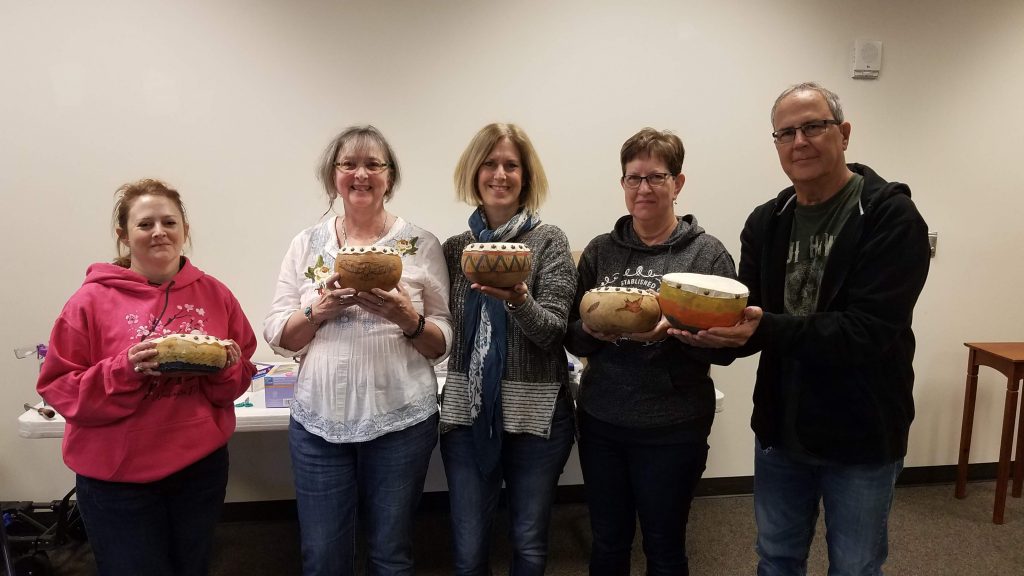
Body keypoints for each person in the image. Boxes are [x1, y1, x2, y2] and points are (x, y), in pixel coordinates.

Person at [677, 82, 930, 575]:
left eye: (814, 126)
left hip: (862, 431)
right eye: (786, 132)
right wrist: (704, 336)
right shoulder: (767, 221)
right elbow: (747, 316)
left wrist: (759, 329)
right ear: (775, 144)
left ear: (844, 133)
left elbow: (867, 332)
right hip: (780, 427)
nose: (800, 141)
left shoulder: (890, 217)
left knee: (855, 567)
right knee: (776, 559)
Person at [36, 179, 257, 576]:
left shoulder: (216, 294)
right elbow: (59, 388)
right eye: (145, 224)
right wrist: (124, 369)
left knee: (193, 566)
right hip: (117, 479)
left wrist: (227, 369)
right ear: (124, 236)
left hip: (199, 469)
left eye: (169, 222)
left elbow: (235, 383)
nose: (159, 232)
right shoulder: (89, 301)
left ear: (185, 230)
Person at [264, 125, 452, 576]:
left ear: (390, 177)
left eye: (374, 165)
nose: (361, 174)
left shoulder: (420, 245)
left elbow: (444, 340)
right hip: (318, 422)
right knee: (324, 557)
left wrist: (408, 318)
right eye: (349, 164)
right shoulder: (307, 244)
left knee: (390, 553)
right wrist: (319, 309)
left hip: (401, 418)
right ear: (334, 176)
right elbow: (277, 333)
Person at [564, 128, 738, 576]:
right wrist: (596, 331)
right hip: (603, 422)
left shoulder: (707, 255)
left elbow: (725, 351)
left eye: (656, 177)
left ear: (678, 184)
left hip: (673, 426)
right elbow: (573, 337)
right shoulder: (601, 251)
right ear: (622, 184)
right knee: (608, 542)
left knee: (663, 545)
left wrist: (674, 334)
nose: (644, 188)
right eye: (633, 178)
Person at [439, 123, 577, 575]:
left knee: (530, 543)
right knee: (468, 547)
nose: (500, 173)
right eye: (490, 163)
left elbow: (554, 331)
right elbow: (438, 329)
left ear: (526, 175)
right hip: (466, 412)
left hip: (535, 415)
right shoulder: (454, 249)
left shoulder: (549, 241)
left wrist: (518, 299)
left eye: (511, 165)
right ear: (474, 172)